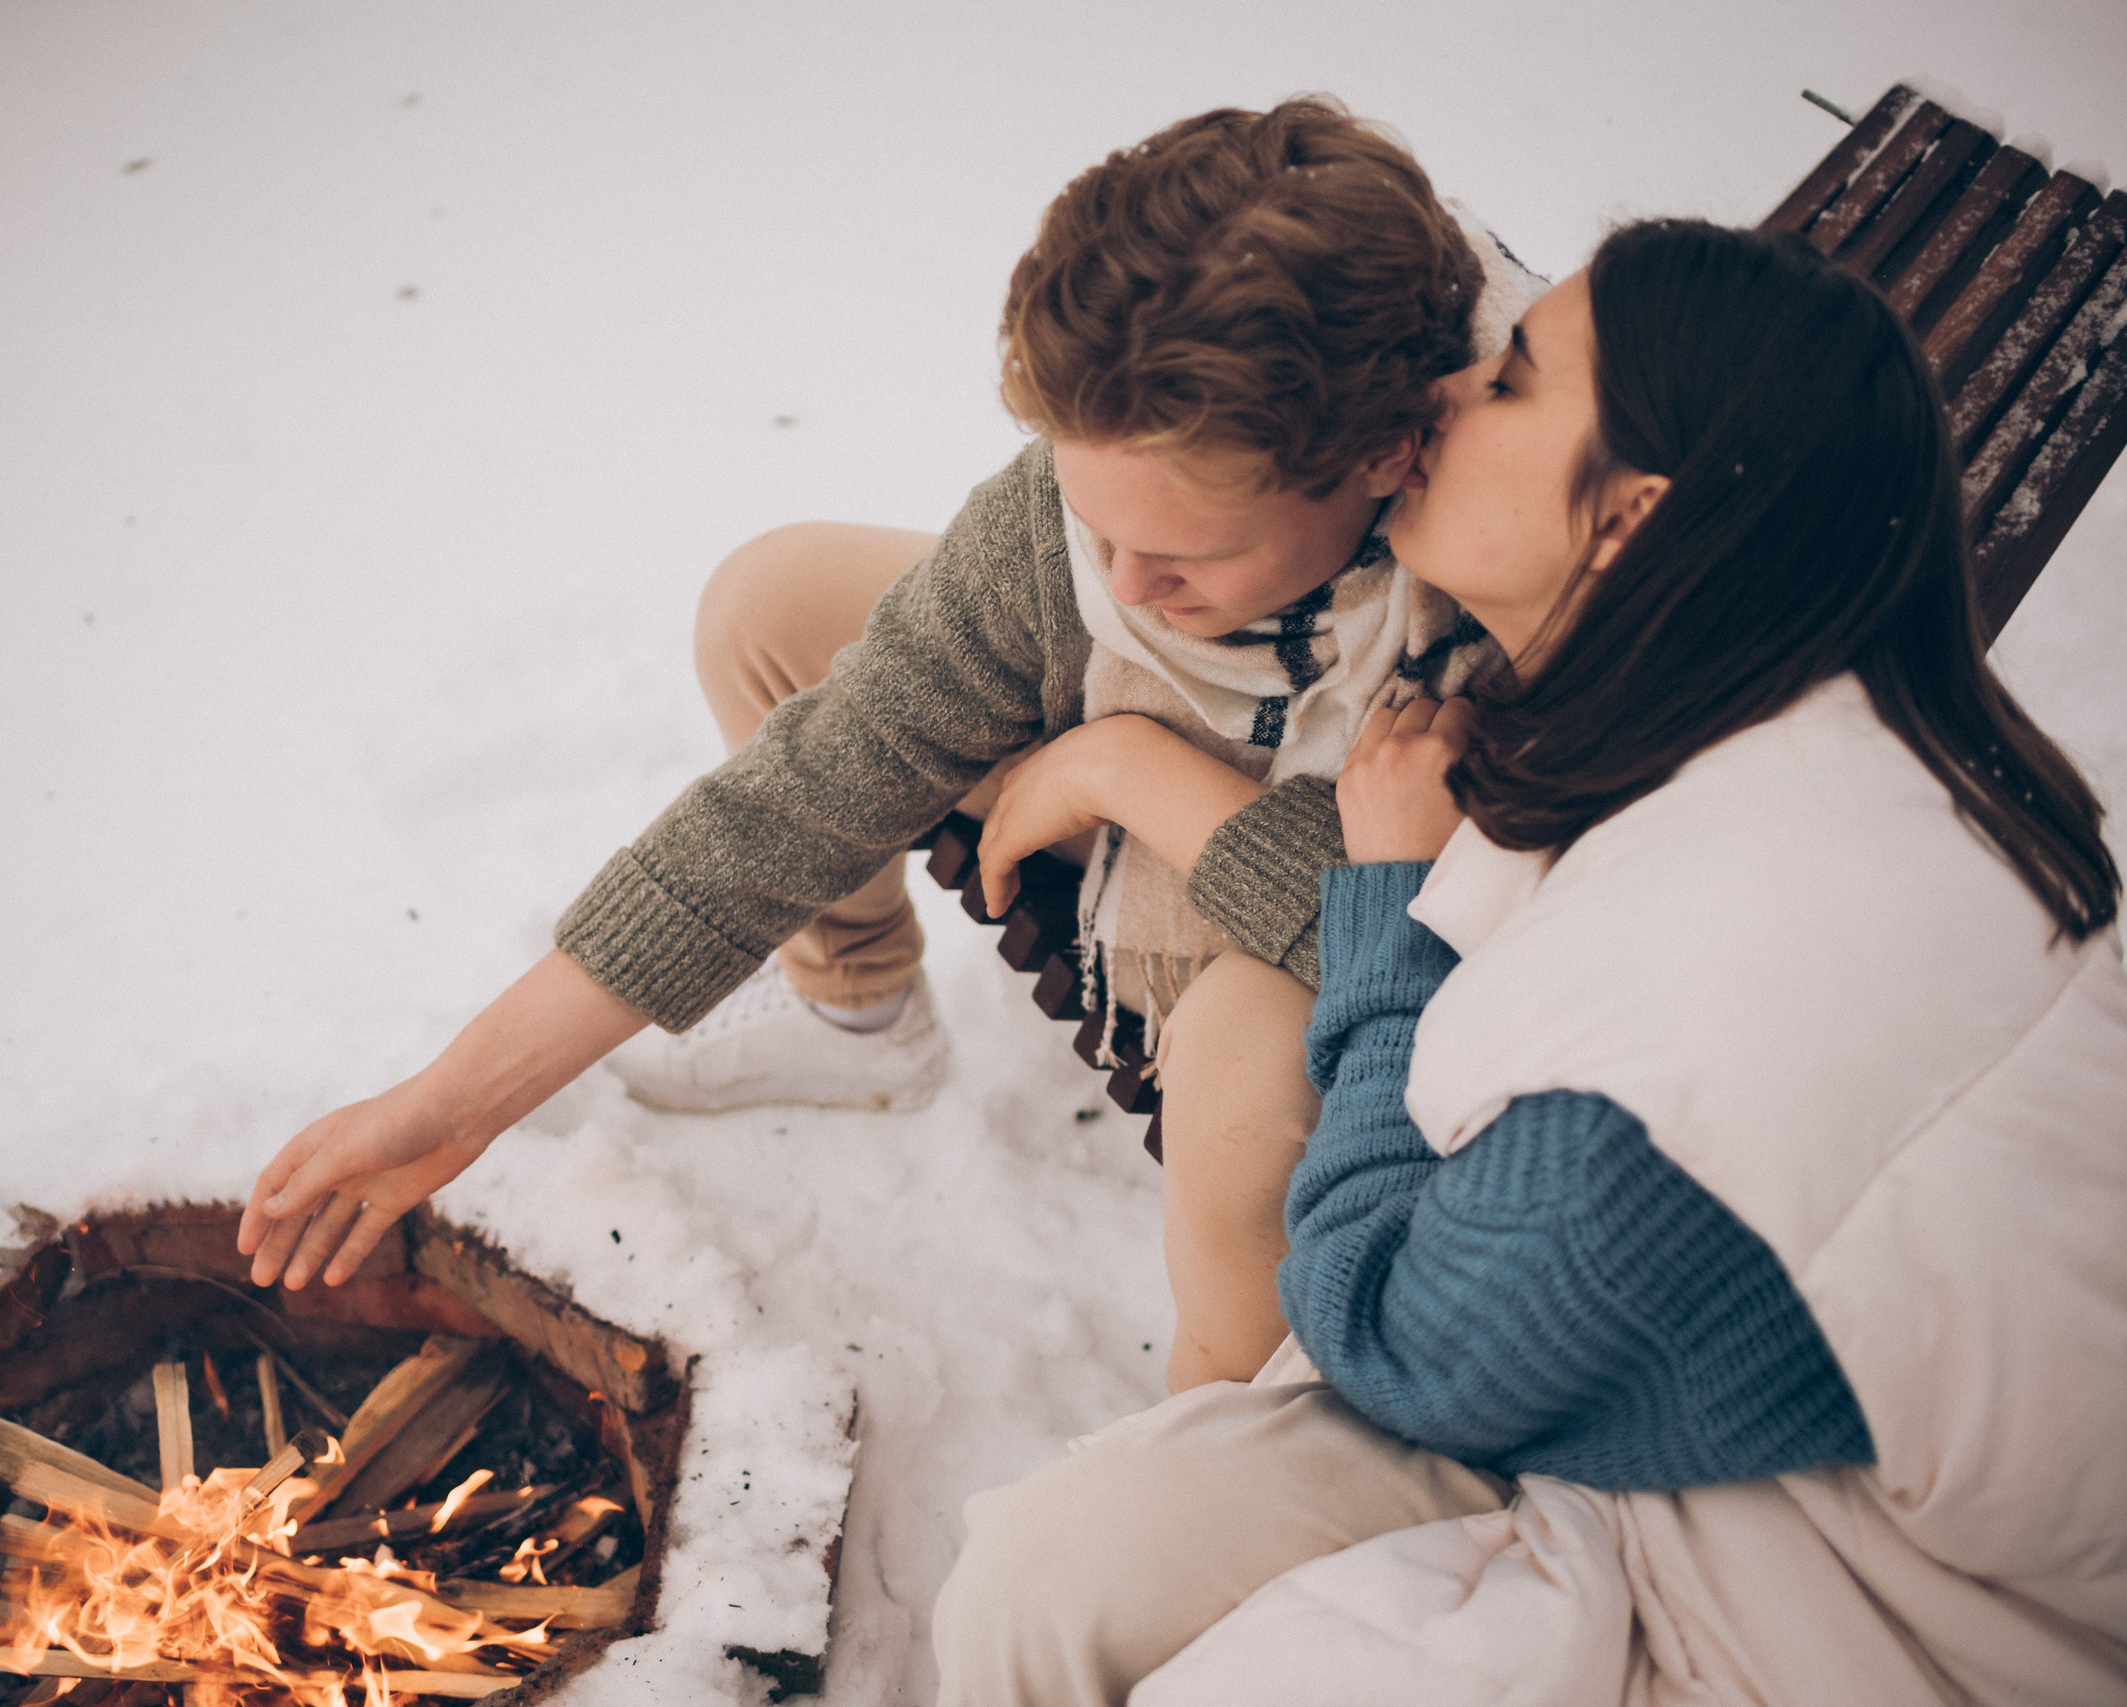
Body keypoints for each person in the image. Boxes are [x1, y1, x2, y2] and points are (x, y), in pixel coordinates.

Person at [932, 218, 2127, 1707]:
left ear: (1628, 521)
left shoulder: (1709, 998)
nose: (1443, 395)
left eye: (1510, 380)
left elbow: (1389, 1335)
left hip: (1851, 1596)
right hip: (1722, 1412)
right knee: (1078, 1567)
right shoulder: (1834, 731)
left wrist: (1383, 911)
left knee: (1062, 1584)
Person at [237, 99, 1539, 1392]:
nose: (1126, 584)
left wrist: (1127, 769)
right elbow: (801, 795)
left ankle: (1209, 1434)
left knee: (1244, 1113)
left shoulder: (1515, 569)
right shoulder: (1089, 522)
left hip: (1342, 895)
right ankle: (856, 1013)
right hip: (1165, 778)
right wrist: (453, 1101)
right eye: (1095, 522)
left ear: (1387, 456)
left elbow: (1447, 948)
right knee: (776, 601)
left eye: (1188, 554)